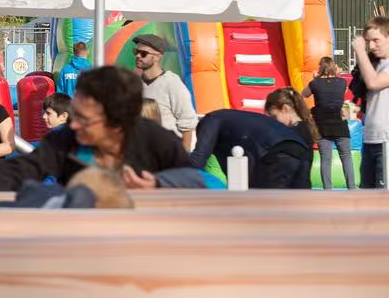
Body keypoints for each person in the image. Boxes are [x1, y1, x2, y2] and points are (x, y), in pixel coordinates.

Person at [0, 66, 195, 192]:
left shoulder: (155, 140)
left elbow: (198, 179)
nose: (73, 124)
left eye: (84, 118)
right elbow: (25, 167)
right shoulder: (66, 140)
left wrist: (160, 184)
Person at [188, 88, 317, 189]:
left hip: (277, 153)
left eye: (273, 116)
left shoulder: (210, 120)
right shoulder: (237, 122)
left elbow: (199, 158)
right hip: (296, 152)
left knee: (264, 203)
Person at [132, 34, 197, 149]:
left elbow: (187, 124)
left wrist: (183, 159)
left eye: (143, 53)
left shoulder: (172, 83)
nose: (138, 56)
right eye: (136, 51)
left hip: (169, 152)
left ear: (158, 57)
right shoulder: (135, 83)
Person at [303, 56, 356, 190]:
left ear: (321, 67)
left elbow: (304, 94)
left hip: (322, 125)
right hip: (339, 124)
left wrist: (315, 80)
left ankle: (328, 190)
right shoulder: (342, 82)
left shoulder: (314, 83)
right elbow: (340, 94)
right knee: (346, 157)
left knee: (325, 159)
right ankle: (352, 188)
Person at [351, 18, 389, 189]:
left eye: (376, 40)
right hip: (370, 139)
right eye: (368, 42)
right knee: (367, 195)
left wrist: (359, 50)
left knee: (383, 198)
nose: (371, 46)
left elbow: (373, 82)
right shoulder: (376, 64)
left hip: (386, 141)